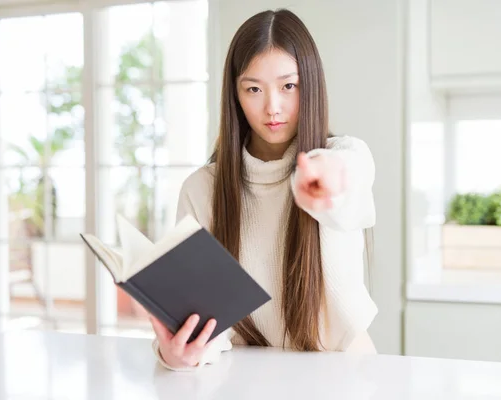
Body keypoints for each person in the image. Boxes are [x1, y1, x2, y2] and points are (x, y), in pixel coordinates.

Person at [149, 8, 378, 371]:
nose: (273, 107)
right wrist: (176, 355)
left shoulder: (346, 157)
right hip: (245, 379)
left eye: (289, 86)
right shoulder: (202, 189)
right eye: (254, 89)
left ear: (311, 84)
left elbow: (347, 176)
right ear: (235, 95)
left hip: (348, 376)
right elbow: (202, 322)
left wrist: (327, 182)